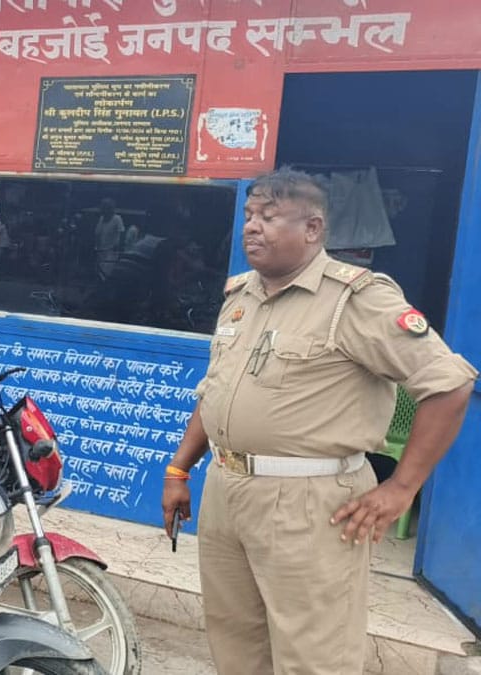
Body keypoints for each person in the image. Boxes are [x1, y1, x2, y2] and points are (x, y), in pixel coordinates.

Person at [161, 169, 476, 675]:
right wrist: (180, 469)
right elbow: (214, 390)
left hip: (309, 501)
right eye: (248, 215)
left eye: (269, 216)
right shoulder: (240, 297)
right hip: (226, 489)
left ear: (312, 228)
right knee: (235, 642)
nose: (251, 227)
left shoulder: (355, 300)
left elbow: (450, 383)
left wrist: (402, 488)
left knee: (315, 656)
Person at [93, 197, 124, 280]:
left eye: (104, 208)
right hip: (100, 251)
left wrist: (118, 246)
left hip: (112, 252)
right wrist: (96, 246)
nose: (102, 210)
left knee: (106, 273)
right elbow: (97, 233)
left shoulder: (117, 219)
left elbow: (121, 233)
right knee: (99, 274)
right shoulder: (101, 218)